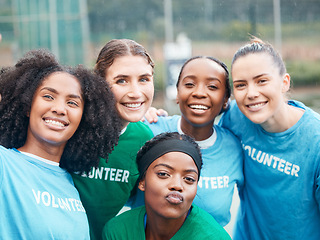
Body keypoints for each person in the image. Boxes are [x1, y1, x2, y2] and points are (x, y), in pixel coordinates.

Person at [0, 34, 122, 239]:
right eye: (48, 96)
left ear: (84, 118)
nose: (59, 109)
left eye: (72, 103)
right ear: (28, 106)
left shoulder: (70, 183)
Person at [219, 37, 320, 239]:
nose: (251, 93)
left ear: (284, 82)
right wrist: (154, 117)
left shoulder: (315, 140)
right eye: (240, 85)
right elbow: (194, 129)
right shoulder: (235, 117)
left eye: (261, 81)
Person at [136, 56, 244, 227]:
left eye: (213, 87)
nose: (199, 93)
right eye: (189, 84)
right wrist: (136, 115)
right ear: (177, 93)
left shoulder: (235, 148)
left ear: (225, 101)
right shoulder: (148, 130)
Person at [71, 39, 155, 239]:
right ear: (99, 84)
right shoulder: (72, 125)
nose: (135, 93)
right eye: (121, 81)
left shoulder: (144, 139)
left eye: (144, 79)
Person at [102, 132, 231, 240]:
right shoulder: (118, 231)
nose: (177, 185)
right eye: (163, 174)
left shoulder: (214, 237)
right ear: (142, 182)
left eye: (189, 179)